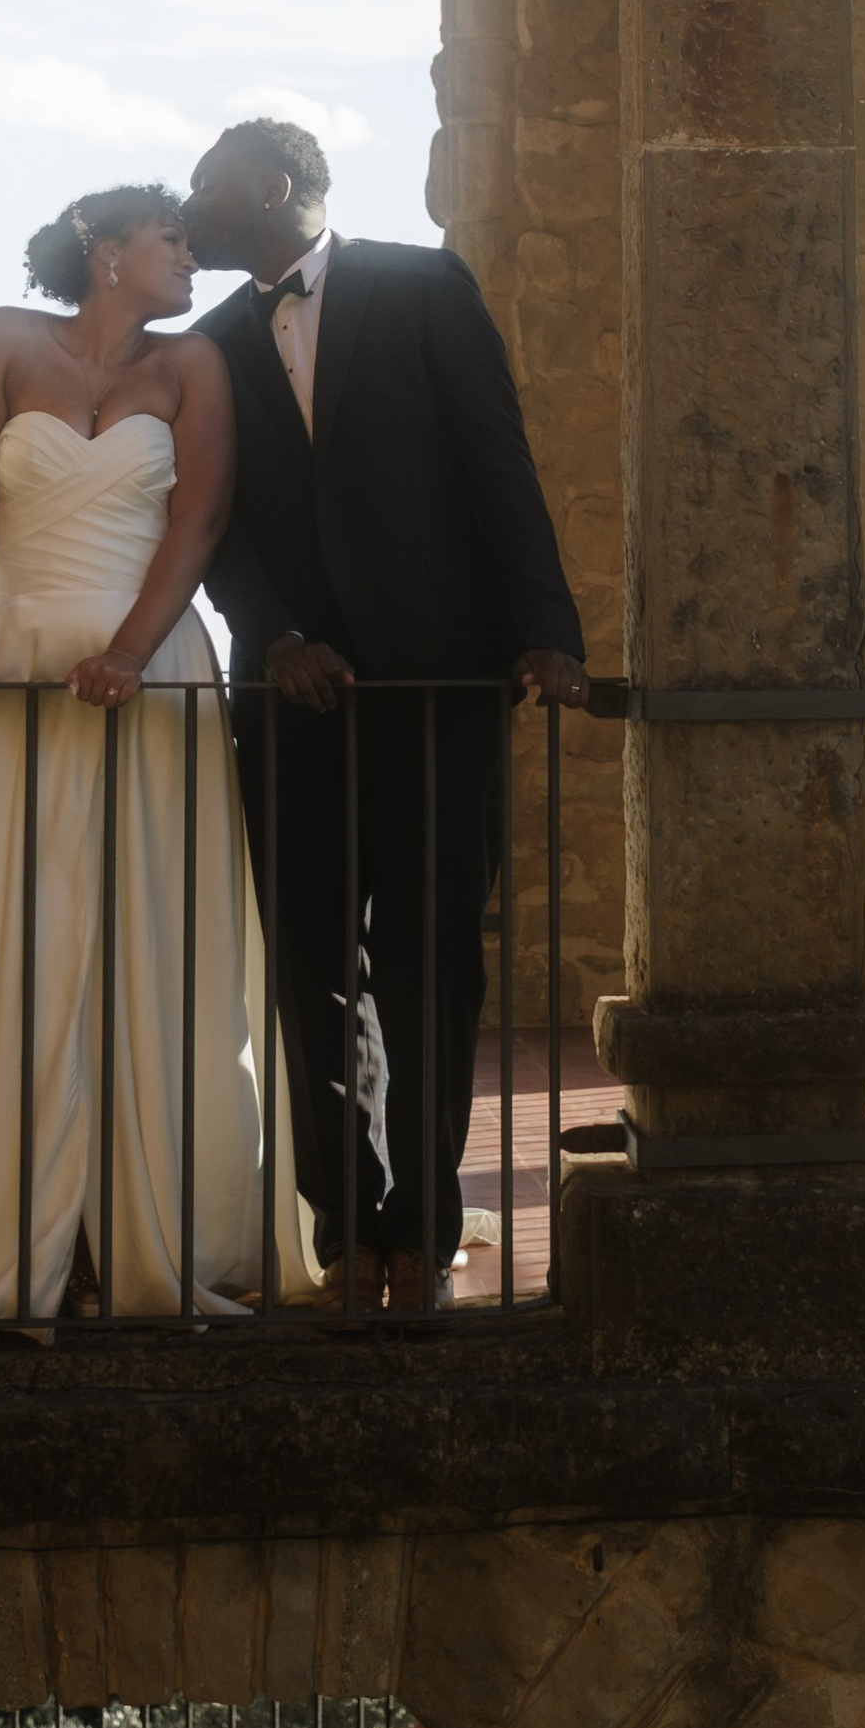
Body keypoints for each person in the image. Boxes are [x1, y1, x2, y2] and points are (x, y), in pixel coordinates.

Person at [0, 186, 307, 1325]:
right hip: (12, 660)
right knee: (8, 931)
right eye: (173, 239)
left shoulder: (192, 365)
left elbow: (198, 517)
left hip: (153, 674)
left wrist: (133, 651)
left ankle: (150, 1230)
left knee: (154, 933)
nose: (193, 257)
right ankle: (0, 1226)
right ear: (107, 250)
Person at [182, 119, 586, 1315]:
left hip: (439, 692)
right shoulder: (207, 348)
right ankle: (342, 1228)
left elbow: (494, 458)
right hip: (291, 706)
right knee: (310, 974)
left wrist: (546, 630)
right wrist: (277, 638)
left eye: (205, 188)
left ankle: (427, 1226)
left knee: (432, 970)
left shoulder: (424, 286)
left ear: (269, 185)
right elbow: (217, 526)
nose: (191, 209)